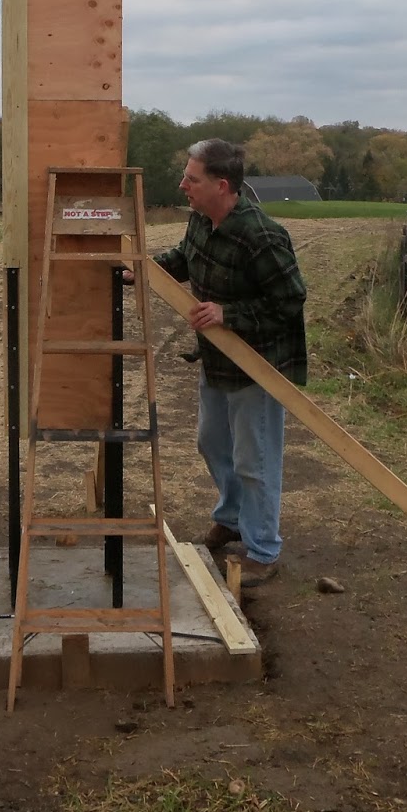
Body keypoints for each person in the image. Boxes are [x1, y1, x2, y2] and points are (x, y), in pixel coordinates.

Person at [152, 138, 307, 587]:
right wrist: (143, 269)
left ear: (222, 185)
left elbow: (290, 301)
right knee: (211, 441)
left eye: (191, 179)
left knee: (254, 459)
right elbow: (186, 259)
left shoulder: (262, 235)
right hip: (216, 359)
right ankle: (233, 517)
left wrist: (228, 314)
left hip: (257, 365)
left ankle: (262, 549)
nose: (183, 184)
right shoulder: (201, 221)